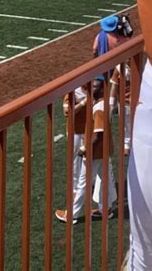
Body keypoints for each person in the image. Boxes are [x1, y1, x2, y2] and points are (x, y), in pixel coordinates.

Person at [56, 80, 117, 223]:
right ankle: (105, 209)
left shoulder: (99, 107)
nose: (92, 89)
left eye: (96, 87)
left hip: (95, 151)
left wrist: (85, 148)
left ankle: (72, 215)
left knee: (84, 182)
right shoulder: (100, 104)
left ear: (102, 90)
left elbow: (98, 134)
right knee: (105, 178)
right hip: (104, 149)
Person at [63, 86, 88, 192]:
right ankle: (75, 187)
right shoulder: (72, 92)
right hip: (75, 132)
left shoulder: (95, 89)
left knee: (90, 157)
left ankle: (88, 183)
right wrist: (83, 103)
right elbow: (67, 112)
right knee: (75, 159)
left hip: (89, 130)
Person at [109, 62, 132, 155]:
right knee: (126, 123)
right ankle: (127, 144)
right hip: (124, 102)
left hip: (138, 101)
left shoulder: (141, 64)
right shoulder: (119, 68)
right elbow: (114, 86)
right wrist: (111, 104)